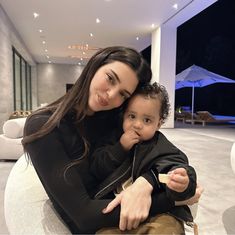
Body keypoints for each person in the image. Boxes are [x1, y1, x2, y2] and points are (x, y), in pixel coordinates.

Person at [22, 46, 158, 234]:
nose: (111, 95)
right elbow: (84, 216)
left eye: (122, 94)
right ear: (95, 66)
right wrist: (172, 199)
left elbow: (160, 149)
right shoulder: (44, 127)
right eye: (110, 78)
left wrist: (147, 182)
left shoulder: (114, 119)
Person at [90, 82, 197, 234]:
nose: (137, 125)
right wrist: (119, 148)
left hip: (158, 215)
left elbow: (176, 164)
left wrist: (182, 183)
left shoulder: (162, 147)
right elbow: (96, 168)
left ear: (158, 124)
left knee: (167, 230)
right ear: (123, 116)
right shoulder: (112, 141)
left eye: (147, 120)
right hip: (117, 215)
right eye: (132, 116)